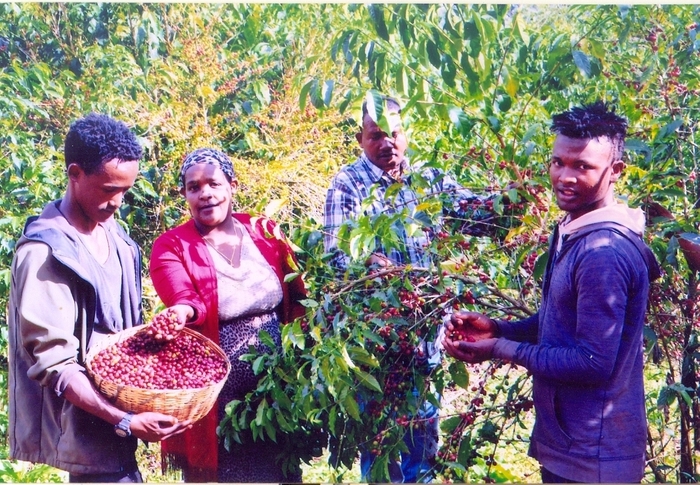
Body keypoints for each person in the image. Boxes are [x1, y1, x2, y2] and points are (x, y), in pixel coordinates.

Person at [443, 101, 661, 483]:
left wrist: (499, 349)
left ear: (616, 172)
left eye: (583, 166)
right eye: (558, 162)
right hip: (571, 445)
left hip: (593, 458)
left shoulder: (603, 252)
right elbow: (561, 321)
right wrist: (500, 329)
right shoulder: (575, 228)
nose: (565, 176)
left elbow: (592, 361)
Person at [323, 95, 499, 483]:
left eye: (395, 133)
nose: (387, 143)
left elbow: (477, 215)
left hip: (426, 337)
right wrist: (376, 266)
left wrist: (515, 196)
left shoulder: (429, 179)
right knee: (383, 452)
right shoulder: (348, 184)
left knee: (423, 445)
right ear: (360, 139)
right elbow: (337, 256)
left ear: (407, 135)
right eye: (376, 135)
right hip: (376, 342)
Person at [8, 113, 191, 483]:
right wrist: (124, 419)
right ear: (75, 174)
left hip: (119, 443)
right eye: (109, 190)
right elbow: (55, 364)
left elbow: (122, 338)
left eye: (126, 190)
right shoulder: (45, 253)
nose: (118, 202)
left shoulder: (120, 240)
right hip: (84, 436)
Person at [149, 148, 307, 483]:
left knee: (279, 471)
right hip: (220, 398)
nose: (204, 193)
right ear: (185, 195)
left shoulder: (264, 230)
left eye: (213, 184)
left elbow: (297, 296)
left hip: (277, 388)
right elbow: (183, 295)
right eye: (194, 187)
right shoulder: (172, 245)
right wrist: (180, 311)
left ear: (232, 185)